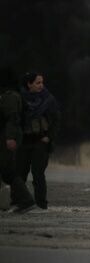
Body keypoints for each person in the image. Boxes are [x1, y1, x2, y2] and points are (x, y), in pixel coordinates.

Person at [13, 72, 60, 211]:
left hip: (40, 141)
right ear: (29, 84)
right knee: (20, 173)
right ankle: (20, 202)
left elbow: (56, 120)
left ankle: (41, 204)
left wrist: (49, 137)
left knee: (38, 174)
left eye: (42, 82)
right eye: (38, 83)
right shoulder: (19, 99)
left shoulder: (48, 99)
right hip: (24, 142)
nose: (41, 85)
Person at [0, 66, 36, 213]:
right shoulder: (10, 94)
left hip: (8, 135)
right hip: (7, 134)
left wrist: (10, 138)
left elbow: (12, 119)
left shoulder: (10, 95)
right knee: (6, 169)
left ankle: (26, 200)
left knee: (7, 170)